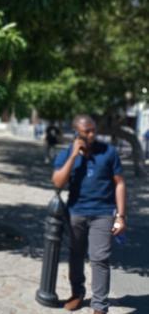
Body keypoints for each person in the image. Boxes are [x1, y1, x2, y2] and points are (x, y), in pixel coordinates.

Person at [52, 115, 127, 314]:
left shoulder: (109, 152)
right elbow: (58, 182)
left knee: (100, 258)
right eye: (87, 131)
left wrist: (121, 215)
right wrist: (74, 156)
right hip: (76, 212)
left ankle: (100, 306)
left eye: (94, 129)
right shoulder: (67, 152)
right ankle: (77, 294)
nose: (92, 134)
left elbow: (119, 183)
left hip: (103, 213)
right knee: (76, 255)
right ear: (77, 132)